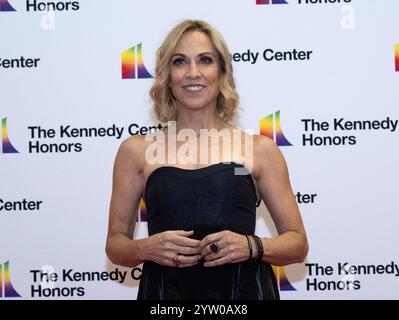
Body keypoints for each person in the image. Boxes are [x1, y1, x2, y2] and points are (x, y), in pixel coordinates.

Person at [106, 20, 308, 300]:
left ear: (222, 71)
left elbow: (297, 244)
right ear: (168, 74)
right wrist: (145, 249)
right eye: (180, 62)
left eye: (205, 60)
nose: (192, 73)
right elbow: (115, 244)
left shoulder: (259, 149)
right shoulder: (136, 150)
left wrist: (252, 246)